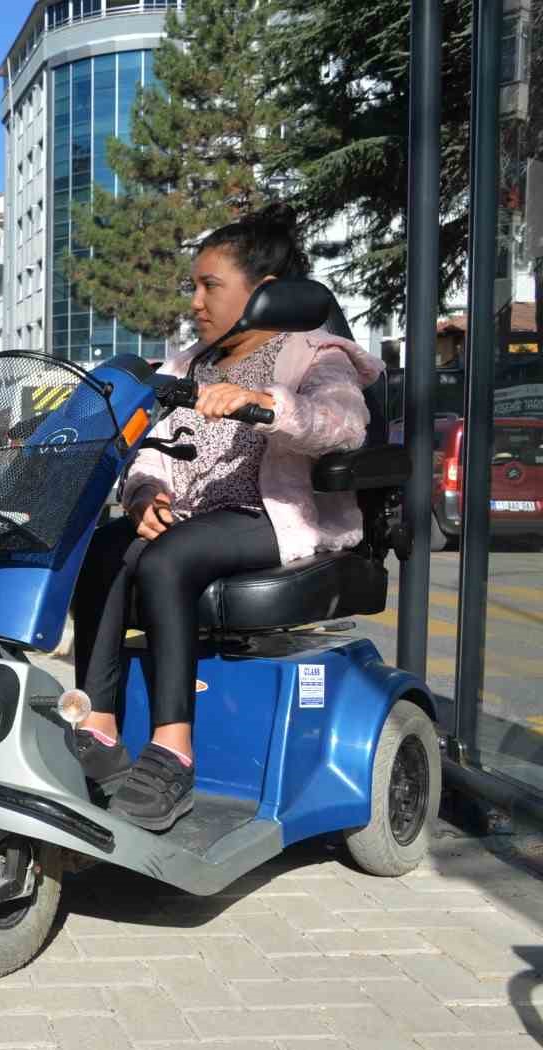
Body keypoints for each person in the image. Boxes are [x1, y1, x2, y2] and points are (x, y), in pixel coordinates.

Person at [69, 203, 384, 831]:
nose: (195, 301)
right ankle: (98, 728)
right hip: (194, 518)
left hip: (274, 517)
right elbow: (145, 449)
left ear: (263, 295)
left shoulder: (317, 356)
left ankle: (173, 752)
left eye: (209, 285)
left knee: (166, 560)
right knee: (103, 547)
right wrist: (145, 495)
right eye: (193, 285)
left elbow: (344, 425)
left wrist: (265, 403)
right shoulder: (187, 365)